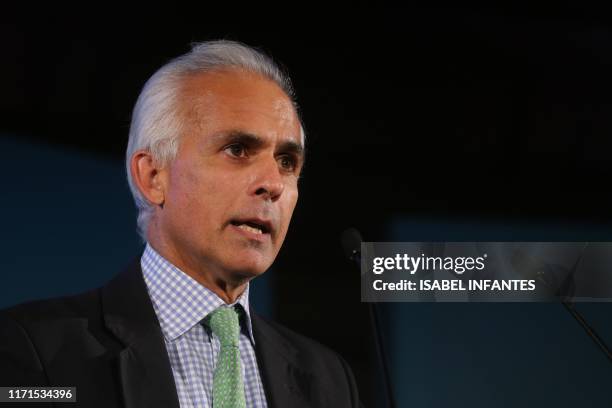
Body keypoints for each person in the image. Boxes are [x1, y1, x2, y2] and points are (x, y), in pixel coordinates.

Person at [0, 41, 361, 408]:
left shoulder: (327, 377)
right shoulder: (35, 351)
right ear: (153, 176)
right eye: (237, 150)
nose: (273, 183)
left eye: (287, 161)